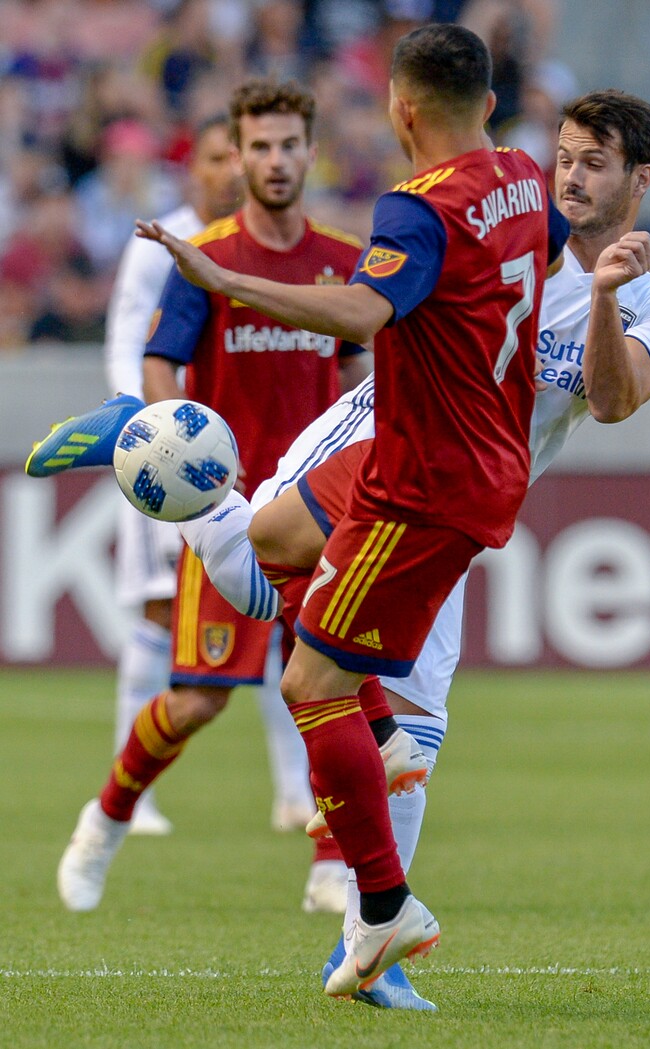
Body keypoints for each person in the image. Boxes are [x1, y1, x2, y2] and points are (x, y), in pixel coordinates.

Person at [27, 83, 650, 1009]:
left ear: (640, 179)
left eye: (596, 164)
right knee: (258, 583)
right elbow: (386, 288)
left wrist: (609, 299)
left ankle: (375, 946)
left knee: (411, 736)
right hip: (378, 448)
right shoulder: (505, 224)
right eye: (566, 157)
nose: (571, 177)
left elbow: (615, 401)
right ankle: (143, 434)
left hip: (457, 509)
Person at [134, 23, 566, 998]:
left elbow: (361, 316)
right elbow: (547, 246)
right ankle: (383, 739)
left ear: (399, 111)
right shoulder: (522, 176)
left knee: (308, 680)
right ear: (487, 106)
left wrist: (227, 279)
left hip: (427, 479)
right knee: (271, 533)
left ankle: (380, 905)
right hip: (440, 449)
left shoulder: (414, 209)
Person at [39, 78, 373, 919]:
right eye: (257, 146)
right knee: (196, 698)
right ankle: (106, 818)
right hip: (229, 514)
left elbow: (358, 371)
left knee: (339, 686)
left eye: (288, 144)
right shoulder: (205, 260)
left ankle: (333, 862)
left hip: (320, 512)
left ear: (310, 151)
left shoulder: (342, 261)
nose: (273, 160)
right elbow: (161, 364)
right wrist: (169, 455)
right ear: (238, 153)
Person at [104, 113, 242, 834]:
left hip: (248, 453)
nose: (233, 170)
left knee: (287, 620)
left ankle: (292, 791)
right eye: (218, 156)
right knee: (162, 609)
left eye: (239, 155)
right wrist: (149, 430)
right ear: (197, 167)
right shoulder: (162, 240)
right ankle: (137, 792)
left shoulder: (257, 245)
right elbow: (129, 341)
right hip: (169, 454)